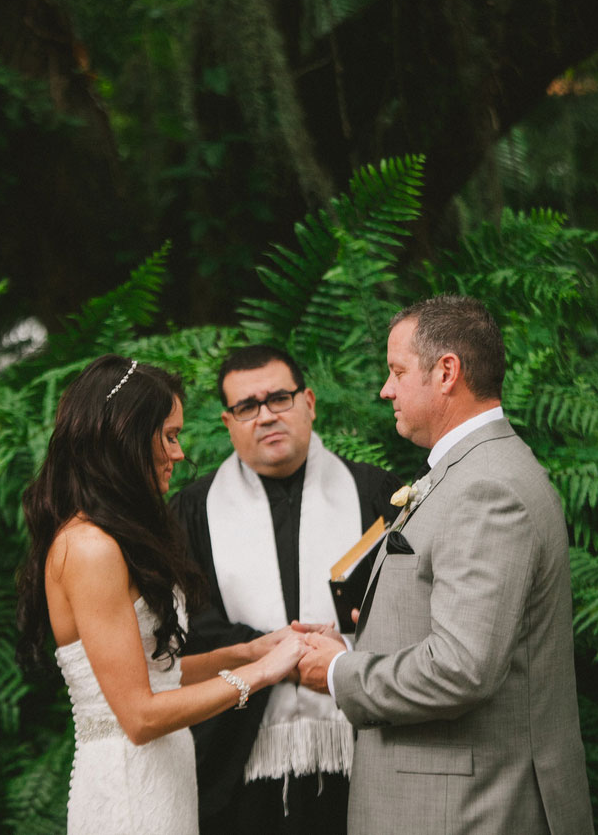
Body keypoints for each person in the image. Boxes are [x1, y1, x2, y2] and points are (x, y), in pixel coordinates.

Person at [297, 295, 595, 835]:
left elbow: (461, 668)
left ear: (447, 372)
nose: (385, 389)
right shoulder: (473, 469)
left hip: (467, 808)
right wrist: (352, 647)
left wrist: (343, 674)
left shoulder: (486, 487)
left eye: (396, 371)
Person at [16, 354, 308, 835]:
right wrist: (260, 674)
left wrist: (243, 652)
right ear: (125, 438)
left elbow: (155, 675)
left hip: (163, 776)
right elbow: (140, 715)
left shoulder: (114, 536)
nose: (178, 453)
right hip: (129, 789)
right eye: (169, 436)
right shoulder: (89, 547)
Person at [171, 344, 400, 835]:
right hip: (239, 758)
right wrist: (279, 656)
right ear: (228, 422)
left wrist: (339, 657)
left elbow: (406, 613)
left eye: (280, 398)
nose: (266, 416)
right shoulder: (192, 512)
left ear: (309, 402)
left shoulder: (377, 496)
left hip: (356, 749)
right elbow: (188, 627)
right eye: (247, 407)